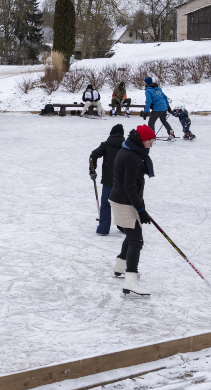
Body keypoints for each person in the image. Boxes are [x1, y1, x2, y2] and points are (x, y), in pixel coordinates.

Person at [108, 125, 156, 296]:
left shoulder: (130, 150)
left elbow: (133, 185)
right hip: (124, 202)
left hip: (124, 200)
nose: (151, 145)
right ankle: (130, 281)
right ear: (141, 140)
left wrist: (141, 206)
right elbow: (129, 186)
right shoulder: (132, 157)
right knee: (136, 240)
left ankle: (121, 265)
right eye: (150, 141)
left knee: (131, 236)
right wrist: (140, 209)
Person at [89, 124, 125, 235]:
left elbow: (93, 155)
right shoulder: (126, 145)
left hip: (108, 179)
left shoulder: (106, 144)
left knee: (105, 203)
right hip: (123, 180)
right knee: (122, 203)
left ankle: (103, 229)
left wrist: (92, 170)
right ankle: (124, 227)